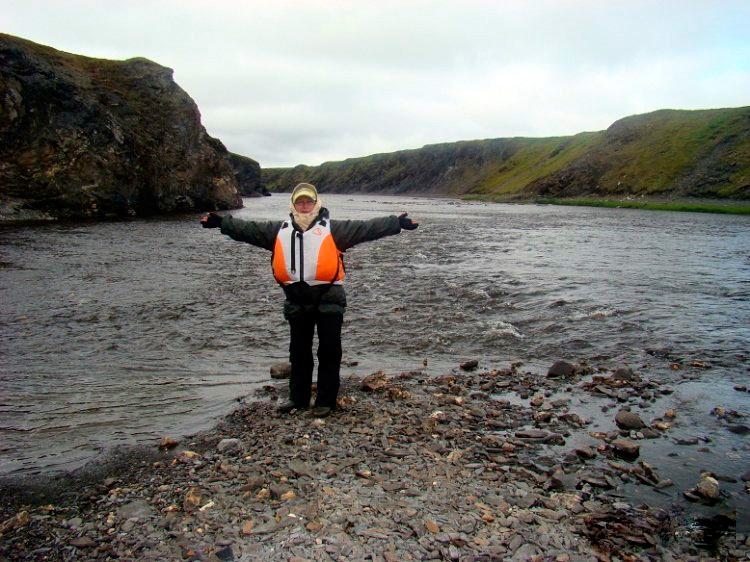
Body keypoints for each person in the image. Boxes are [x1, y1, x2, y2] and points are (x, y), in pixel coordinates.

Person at [200, 183, 418, 417]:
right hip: (297, 300)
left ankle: (326, 401)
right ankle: (298, 399)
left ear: (316, 203)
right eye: (300, 202)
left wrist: (396, 223)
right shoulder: (278, 231)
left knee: (329, 352)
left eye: (308, 201)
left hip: (329, 299)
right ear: (293, 205)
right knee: (299, 353)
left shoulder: (334, 229)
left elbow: (366, 228)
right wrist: (221, 223)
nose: (304, 206)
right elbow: (248, 230)